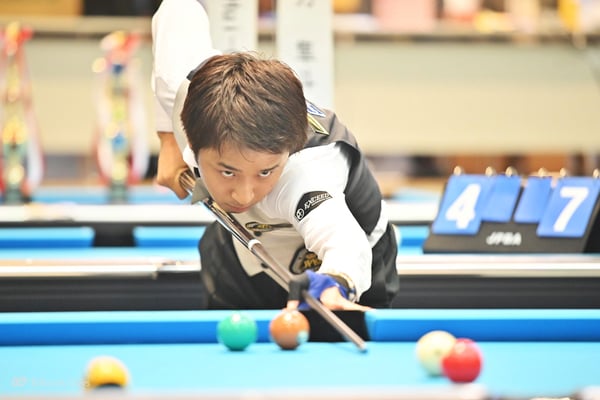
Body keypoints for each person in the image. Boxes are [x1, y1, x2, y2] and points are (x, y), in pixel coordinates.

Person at [176, 52, 400, 311]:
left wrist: (336, 281)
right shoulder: (188, 100)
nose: (244, 196)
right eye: (228, 172)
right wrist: (168, 143)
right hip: (242, 251)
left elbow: (343, 239)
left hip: (352, 266)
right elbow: (172, 72)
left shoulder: (303, 174)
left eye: (265, 172)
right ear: (191, 142)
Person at [151, 0, 219, 199]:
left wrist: (170, 138)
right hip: (217, 145)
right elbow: (171, 81)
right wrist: (170, 139)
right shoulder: (183, 7)